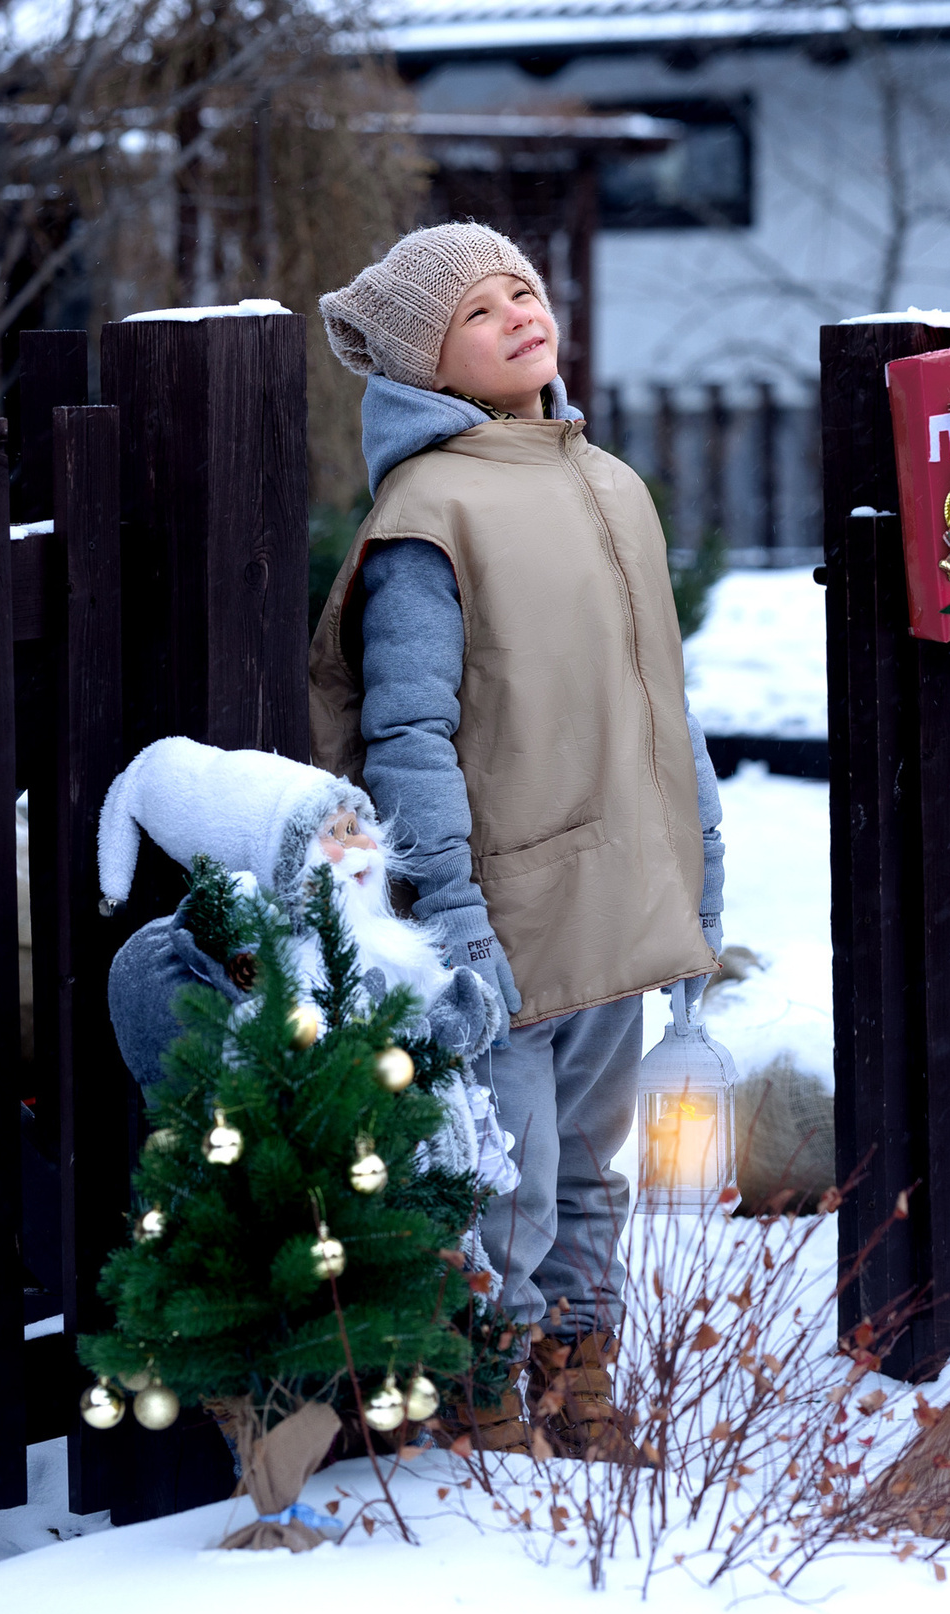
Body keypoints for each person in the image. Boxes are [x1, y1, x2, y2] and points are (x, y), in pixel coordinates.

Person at [310, 224, 723, 1459]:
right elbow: (409, 733)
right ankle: (482, 1385)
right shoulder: (429, 512)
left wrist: (697, 846)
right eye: (479, 311)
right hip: (504, 907)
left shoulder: (608, 483)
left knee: (593, 1160)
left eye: (523, 289)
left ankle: (573, 1374)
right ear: (426, 364)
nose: (517, 314)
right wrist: (445, 913)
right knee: (509, 1171)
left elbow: (660, 693)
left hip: (619, 889)